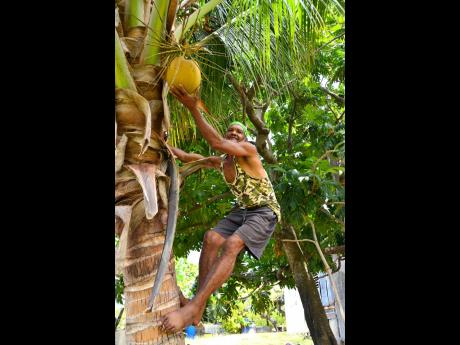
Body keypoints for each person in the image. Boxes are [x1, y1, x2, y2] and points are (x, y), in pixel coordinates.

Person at [161, 85, 281, 333]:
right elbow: (186, 156)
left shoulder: (249, 151)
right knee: (212, 237)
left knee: (231, 245)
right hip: (244, 209)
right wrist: (161, 143)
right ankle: (198, 308)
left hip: (265, 211)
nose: (235, 133)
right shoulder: (221, 162)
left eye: (240, 131)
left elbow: (215, 141)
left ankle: (193, 307)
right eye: (231, 130)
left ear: (245, 138)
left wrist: (194, 108)